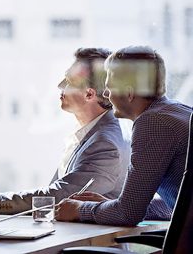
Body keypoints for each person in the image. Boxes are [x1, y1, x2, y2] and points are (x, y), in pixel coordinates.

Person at [0, 48, 130, 214]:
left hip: (86, 243)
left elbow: (59, 197)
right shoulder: (91, 133)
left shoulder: (105, 144)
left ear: (89, 94)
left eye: (69, 81)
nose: (60, 85)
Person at [56, 46, 192, 225]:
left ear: (128, 93)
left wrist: (79, 209)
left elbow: (127, 215)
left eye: (109, 87)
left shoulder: (152, 123)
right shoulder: (178, 112)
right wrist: (111, 205)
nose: (105, 94)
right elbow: (172, 206)